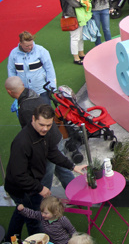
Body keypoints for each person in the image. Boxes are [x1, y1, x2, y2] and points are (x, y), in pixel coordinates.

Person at [3, 104, 86, 242]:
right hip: (22, 189)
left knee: (22, 211)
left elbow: (52, 153)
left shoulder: (44, 134)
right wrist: (39, 188)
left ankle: (10, 238)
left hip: (30, 184)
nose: (45, 128)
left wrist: (72, 166)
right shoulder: (22, 142)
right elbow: (19, 174)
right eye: (41, 124)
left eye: (48, 125)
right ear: (33, 119)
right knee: (34, 219)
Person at [5, 76, 74, 190]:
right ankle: (77, 195)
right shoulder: (32, 94)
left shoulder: (26, 108)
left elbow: (35, 133)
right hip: (56, 138)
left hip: (48, 144)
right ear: (22, 84)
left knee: (45, 176)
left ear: (9, 91)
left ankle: (43, 202)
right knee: (63, 170)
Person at [7, 31, 56, 98]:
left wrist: (51, 86)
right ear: (21, 43)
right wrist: (14, 87)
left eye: (31, 44)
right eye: (27, 46)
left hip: (41, 90)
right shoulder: (13, 53)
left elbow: (49, 69)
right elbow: (11, 70)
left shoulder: (41, 51)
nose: (30, 47)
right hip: (23, 92)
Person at [61, 0, 89, 64]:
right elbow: (75, 3)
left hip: (77, 14)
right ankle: (76, 57)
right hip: (71, 15)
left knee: (80, 36)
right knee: (75, 37)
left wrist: (81, 2)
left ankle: (81, 53)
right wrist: (84, 3)